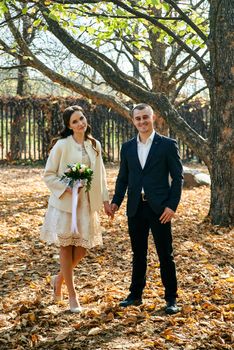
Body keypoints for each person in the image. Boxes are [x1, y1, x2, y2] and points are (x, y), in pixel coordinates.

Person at [111, 103, 183, 315]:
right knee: (138, 253)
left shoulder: (167, 145)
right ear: (133, 121)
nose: (142, 121)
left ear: (153, 118)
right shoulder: (127, 147)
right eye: (138, 118)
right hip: (135, 208)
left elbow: (177, 178)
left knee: (165, 254)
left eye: (145, 117)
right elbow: (123, 177)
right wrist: (116, 201)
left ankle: (171, 299)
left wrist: (172, 206)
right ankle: (135, 295)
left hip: (160, 209)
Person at [40, 105, 112, 313]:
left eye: (81, 118)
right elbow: (48, 174)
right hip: (65, 204)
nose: (80, 123)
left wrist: (105, 201)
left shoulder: (94, 145)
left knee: (81, 249)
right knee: (66, 247)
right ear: (69, 126)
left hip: (86, 204)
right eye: (74, 121)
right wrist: (67, 187)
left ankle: (58, 278)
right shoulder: (62, 145)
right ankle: (72, 294)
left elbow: (101, 176)